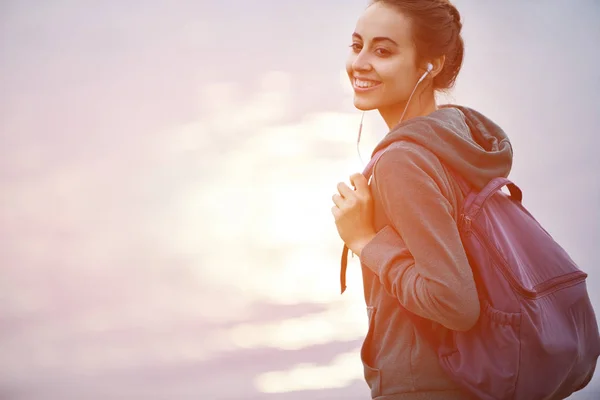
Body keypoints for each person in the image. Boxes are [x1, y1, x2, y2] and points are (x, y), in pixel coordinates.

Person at [330, 0, 513, 399]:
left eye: (382, 51)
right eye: (356, 44)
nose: (359, 63)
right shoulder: (456, 137)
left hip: (426, 386)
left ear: (429, 65)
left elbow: (455, 303)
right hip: (468, 380)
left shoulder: (403, 160)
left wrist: (364, 241)